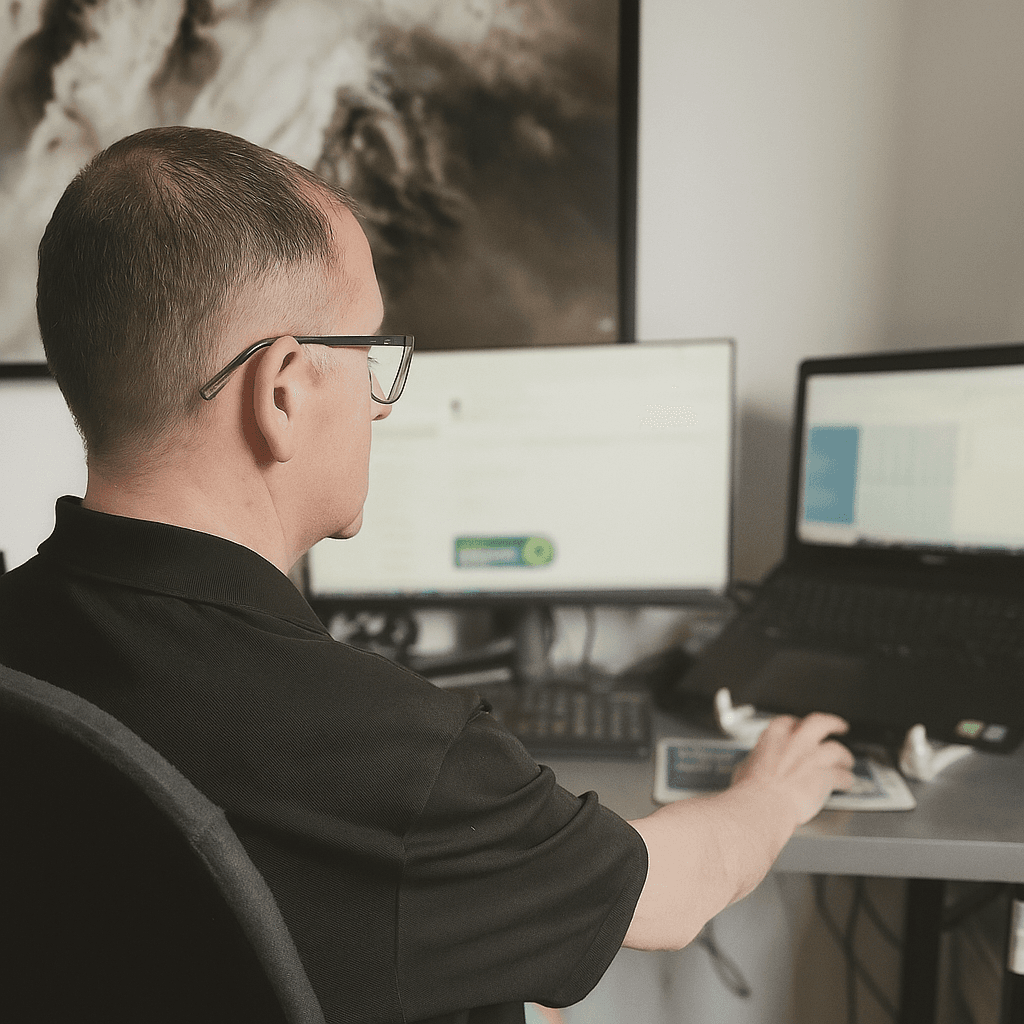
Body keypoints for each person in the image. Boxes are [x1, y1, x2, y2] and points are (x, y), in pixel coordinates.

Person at [0, 126, 854, 1024]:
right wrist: (773, 792)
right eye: (369, 352)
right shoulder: (396, 759)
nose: (380, 400)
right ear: (283, 392)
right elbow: (673, 897)